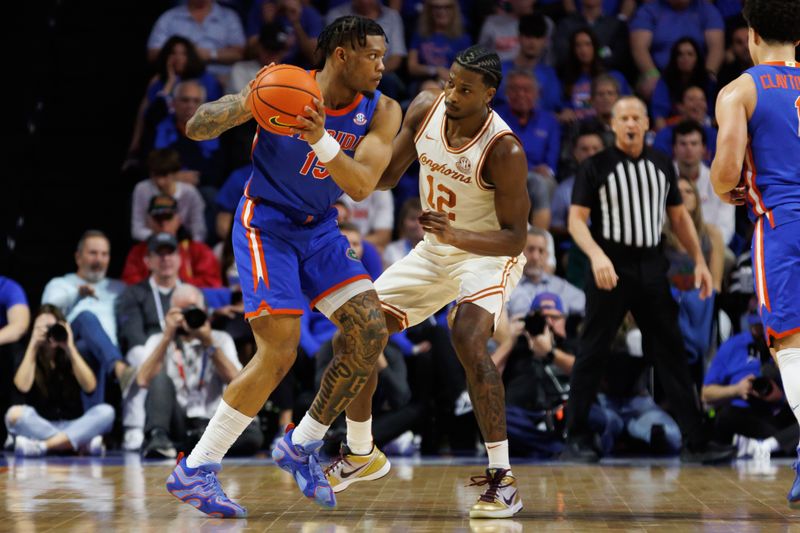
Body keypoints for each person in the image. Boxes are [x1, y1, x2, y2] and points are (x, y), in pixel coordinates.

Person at [166, 15, 402, 517]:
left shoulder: (383, 110)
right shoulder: (285, 86)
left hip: (319, 227)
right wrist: (246, 103)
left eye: (384, 56)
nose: (383, 65)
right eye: (373, 56)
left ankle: (302, 443)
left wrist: (319, 137)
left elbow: (361, 186)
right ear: (341, 55)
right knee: (280, 351)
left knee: (369, 330)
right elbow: (195, 126)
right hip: (265, 224)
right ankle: (196, 469)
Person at [331, 45, 530, 519]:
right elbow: (385, 179)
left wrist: (456, 233)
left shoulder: (504, 149)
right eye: (450, 82)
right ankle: (362, 452)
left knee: (465, 336)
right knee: (356, 331)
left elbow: (516, 239)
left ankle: (503, 480)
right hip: (434, 251)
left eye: (465, 89)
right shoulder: (425, 108)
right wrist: (339, 148)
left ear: (489, 94)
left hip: (486, 255)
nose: (453, 94)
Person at [562, 96, 734, 464]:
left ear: (645, 124)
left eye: (636, 117)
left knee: (672, 352)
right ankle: (576, 436)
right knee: (593, 350)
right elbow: (576, 220)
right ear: (613, 124)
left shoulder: (661, 164)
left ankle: (696, 441)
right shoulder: (596, 165)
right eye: (623, 117)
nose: (629, 124)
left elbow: (680, 218)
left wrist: (700, 262)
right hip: (611, 262)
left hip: (652, 266)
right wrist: (596, 256)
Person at [710, 0, 800, 506]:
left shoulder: (740, 90)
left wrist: (728, 190)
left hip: (783, 225)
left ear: (751, 34)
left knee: (789, 343)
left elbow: (724, 174)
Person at [137, 285, 262, 459]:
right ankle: (160, 438)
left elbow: (237, 382)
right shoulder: (158, 339)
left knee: (253, 438)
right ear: (171, 313)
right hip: (177, 420)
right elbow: (142, 380)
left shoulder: (220, 339)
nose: (188, 316)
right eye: (182, 311)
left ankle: (186, 446)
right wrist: (167, 336)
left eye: (193, 310)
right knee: (159, 379)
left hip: (212, 423)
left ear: (204, 311)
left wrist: (209, 343)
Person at [6, 305, 115, 457]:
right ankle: (77, 443)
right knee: (14, 413)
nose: (49, 332)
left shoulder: (72, 353)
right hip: (40, 424)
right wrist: (33, 345)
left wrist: (69, 347)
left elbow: (90, 387)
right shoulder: (26, 352)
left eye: (53, 327)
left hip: (73, 423)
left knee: (106, 412)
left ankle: (44, 446)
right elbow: (22, 387)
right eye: (43, 328)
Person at [116, 232, 184, 451]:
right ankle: (134, 425)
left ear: (179, 258)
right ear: (148, 261)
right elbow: (133, 335)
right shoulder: (135, 293)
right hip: (151, 353)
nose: (165, 259)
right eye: (159, 254)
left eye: (170, 253)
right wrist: (162, 346)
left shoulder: (190, 293)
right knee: (138, 355)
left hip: (183, 353)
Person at [703, 314, 799, 461]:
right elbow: (706, 394)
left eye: (763, 327)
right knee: (725, 416)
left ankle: (765, 446)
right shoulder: (733, 345)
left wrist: (780, 397)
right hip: (742, 412)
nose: (760, 331)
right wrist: (737, 389)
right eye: (756, 326)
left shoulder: (786, 345)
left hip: (774, 413)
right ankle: (775, 445)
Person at [629, 0, 724, 99]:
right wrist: (653, 75)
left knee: (712, 86)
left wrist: (708, 75)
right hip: (659, 74)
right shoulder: (648, 11)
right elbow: (639, 48)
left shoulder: (707, 10)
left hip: (695, 75)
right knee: (650, 86)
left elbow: (716, 48)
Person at [122, 197, 222, 288]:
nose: (163, 224)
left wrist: (175, 286)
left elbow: (212, 283)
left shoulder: (199, 250)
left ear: (178, 220)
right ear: (149, 222)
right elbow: (129, 284)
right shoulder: (138, 252)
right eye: (158, 218)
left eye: (168, 217)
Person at [672, 120, 734, 244]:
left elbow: (726, 229)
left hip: (711, 246)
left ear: (703, 149)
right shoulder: (661, 179)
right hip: (671, 246)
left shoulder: (719, 181)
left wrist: (704, 249)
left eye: (694, 143)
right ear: (674, 148)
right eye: (683, 144)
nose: (689, 148)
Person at [146, 0, 245, 77]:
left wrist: (210, 54)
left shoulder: (229, 17)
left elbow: (240, 54)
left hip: (220, 79)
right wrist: (182, 54)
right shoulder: (169, 17)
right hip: (179, 78)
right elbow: (153, 53)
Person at [131, 149, 207, 242]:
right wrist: (162, 238)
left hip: (183, 244)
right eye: (155, 175)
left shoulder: (190, 193)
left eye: (165, 176)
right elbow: (136, 229)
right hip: (151, 243)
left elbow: (199, 231)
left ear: (176, 173)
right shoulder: (142, 189)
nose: (160, 182)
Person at [508, 228, 586, 318]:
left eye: (541, 251)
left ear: (547, 256)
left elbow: (587, 306)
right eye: (530, 249)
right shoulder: (508, 287)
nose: (535, 257)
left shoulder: (561, 287)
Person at [557, 28, 630, 124]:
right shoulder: (568, 80)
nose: (583, 50)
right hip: (578, 129)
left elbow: (629, 106)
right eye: (578, 45)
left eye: (588, 44)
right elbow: (563, 109)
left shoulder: (614, 77)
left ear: (595, 47)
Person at [497, 14, 562, 113]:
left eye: (537, 37)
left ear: (545, 41)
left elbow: (553, 107)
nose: (532, 42)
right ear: (519, 38)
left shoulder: (549, 74)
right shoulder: (500, 70)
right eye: (528, 36)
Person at [651, 38, 715, 131]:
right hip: (673, 129)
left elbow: (713, 115)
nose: (685, 58)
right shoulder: (665, 81)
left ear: (697, 57)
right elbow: (659, 116)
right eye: (680, 54)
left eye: (690, 54)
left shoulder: (709, 81)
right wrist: (666, 136)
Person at [551, 129, 605, 238]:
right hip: (577, 246)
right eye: (585, 149)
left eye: (596, 148)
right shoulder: (564, 190)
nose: (591, 153)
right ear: (575, 153)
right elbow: (555, 226)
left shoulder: (617, 184)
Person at [407, 0, 472, 86]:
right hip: (422, 83)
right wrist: (436, 70)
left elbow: (466, 72)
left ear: (454, 10)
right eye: (436, 7)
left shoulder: (463, 39)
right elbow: (412, 67)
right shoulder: (420, 35)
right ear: (429, 10)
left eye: (447, 7)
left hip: (451, 84)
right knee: (429, 85)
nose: (441, 11)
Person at [244, 0, 323, 69]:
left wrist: (296, 23)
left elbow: (316, 59)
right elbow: (249, 54)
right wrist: (269, 24)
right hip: (268, 69)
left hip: (300, 71)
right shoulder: (263, 8)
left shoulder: (308, 13)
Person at [652, 86, 718, 162]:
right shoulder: (664, 135)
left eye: (702, 99)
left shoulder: (714, 135)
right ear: (680, 106)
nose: (698, 104)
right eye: (691, 99)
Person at [228, 22, 291, 94]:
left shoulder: (289, 75)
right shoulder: (240, 70)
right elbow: (240, 102)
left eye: (276, 50)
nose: (271, 54)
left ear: (284, 51)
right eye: (268, 49)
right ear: (259, 47)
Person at [383, 198, 424, 268]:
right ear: (402, 222)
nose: (418, 224)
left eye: (423, 219)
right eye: (413, 218)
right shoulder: (392, 250)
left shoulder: (438, 250)